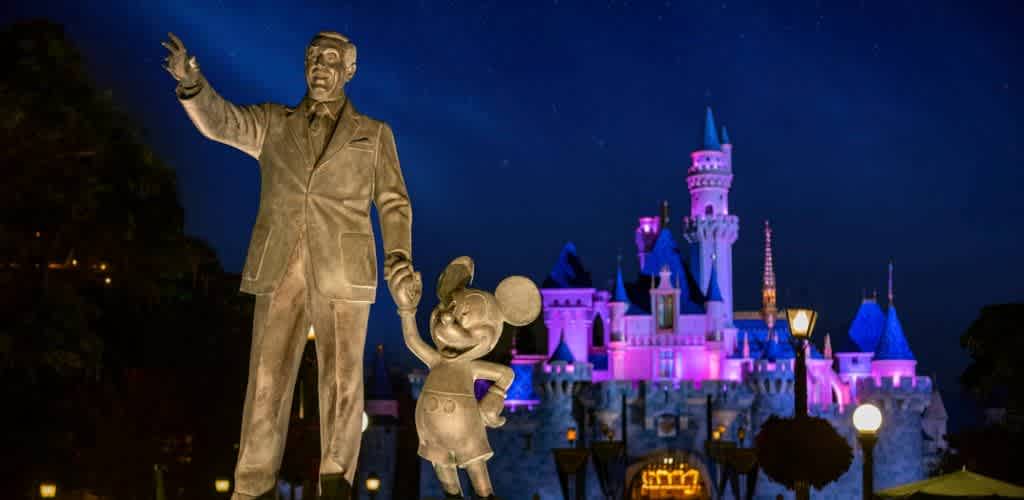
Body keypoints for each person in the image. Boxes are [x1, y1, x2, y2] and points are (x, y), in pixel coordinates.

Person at [162, 31, 413, 500]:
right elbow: (224, 123)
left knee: (342, 381)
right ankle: (252, 486)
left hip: (344, 269)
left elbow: (394, 203)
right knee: (266, 378)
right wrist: (193, 86)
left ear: (349, 71)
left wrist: (399, 257)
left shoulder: (374, 134)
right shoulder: (274, 122)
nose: (320, 65)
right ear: (304, 64)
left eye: (331, 59)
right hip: (279, 263)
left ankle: (336, 481)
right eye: (314, 57)